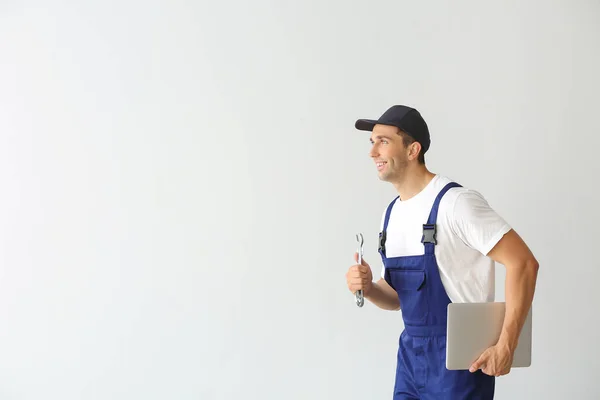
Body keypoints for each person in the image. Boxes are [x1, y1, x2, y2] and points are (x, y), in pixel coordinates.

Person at [345, 105, 539, 399]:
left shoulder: (456, 203)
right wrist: (369, 288)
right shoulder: (391, 214)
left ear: (413, 150)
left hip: (460, 366)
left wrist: (506, 345)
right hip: (410, 361)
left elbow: (523, 263)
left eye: (383, 142)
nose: (373, 153)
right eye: (372, 143)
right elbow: (398, 298)